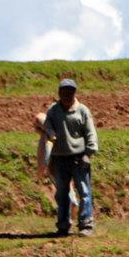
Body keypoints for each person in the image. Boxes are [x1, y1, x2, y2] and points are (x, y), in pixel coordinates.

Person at [42, 78, 98, 237]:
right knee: (62, 193)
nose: (67, 95)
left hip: (79, 159)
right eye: (64, 92)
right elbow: (46, 124)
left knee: (85, 192)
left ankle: (86, 225)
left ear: (75, 93)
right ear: (59, 93)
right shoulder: (53, 110)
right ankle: (63, 226)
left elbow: (90, 133)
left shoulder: (83, 110)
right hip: (60, 159)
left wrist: (88, 153)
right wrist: (50, 132)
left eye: (70, 92)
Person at [34, 112, 79, 221]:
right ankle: (72, 208)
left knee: (63, 191)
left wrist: (41, 170)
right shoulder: (59, 131)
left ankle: (69, 211)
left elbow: (45, 155)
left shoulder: (47, 136)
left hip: (56, 166)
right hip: (69, 160)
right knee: (68, 186)